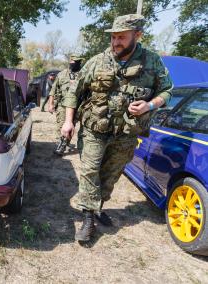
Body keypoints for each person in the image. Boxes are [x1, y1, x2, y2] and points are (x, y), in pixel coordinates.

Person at [61, 14, 173, 242]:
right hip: (95, 127)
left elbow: (168, 90)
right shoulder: (97, 61)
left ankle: (98, 205)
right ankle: (88, 217)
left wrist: (149, 105)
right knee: (90, 169)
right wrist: (68, 120)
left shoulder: (152, 62)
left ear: (137, 35)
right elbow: (75, 91)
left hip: (127, 132)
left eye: (121, 37)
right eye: (113, 37)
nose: (115, 42)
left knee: (110, 173)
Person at [47, 54, 84, 155]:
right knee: (61, 126)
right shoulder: (62, 74)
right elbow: (53, 90)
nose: (74, 64)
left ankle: (63, 145)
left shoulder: (83, 75)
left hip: (77, 106)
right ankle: (61, 143)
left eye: (77, 62)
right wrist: (50, 104)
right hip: (62, 106)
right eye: (72, 61)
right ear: (70, 62)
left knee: (71, 126)